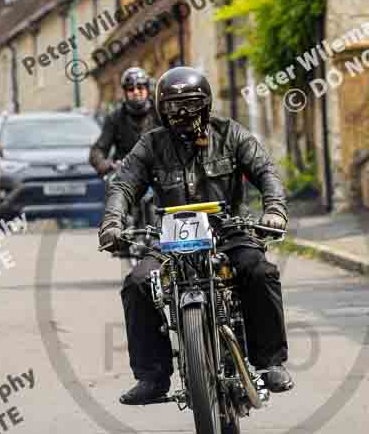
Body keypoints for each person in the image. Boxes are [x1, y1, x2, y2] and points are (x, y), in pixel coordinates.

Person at [98, 66, 294, 406]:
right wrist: (112, 223)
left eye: (189, 105)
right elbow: (124, 184)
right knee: (137, 283)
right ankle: (153, 376)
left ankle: (270, 362)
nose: (182, 114)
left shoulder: (230, 133)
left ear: (205, 104)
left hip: (229, 232)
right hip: (170, 240)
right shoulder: (151, 144)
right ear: (161, 109)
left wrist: (274, 209)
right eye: (173, 108)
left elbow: (265, 170)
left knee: (260, 271)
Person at [89, 67, 160, 177]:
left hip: (160, 175)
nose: (136, 92)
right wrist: (107, 165)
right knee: (114, 191)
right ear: (125, 93)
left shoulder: (160, 113)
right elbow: (98, 149)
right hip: (127, 176)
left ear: (147, 89)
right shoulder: (115, 117)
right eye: (130, 89)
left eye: (140, 87)